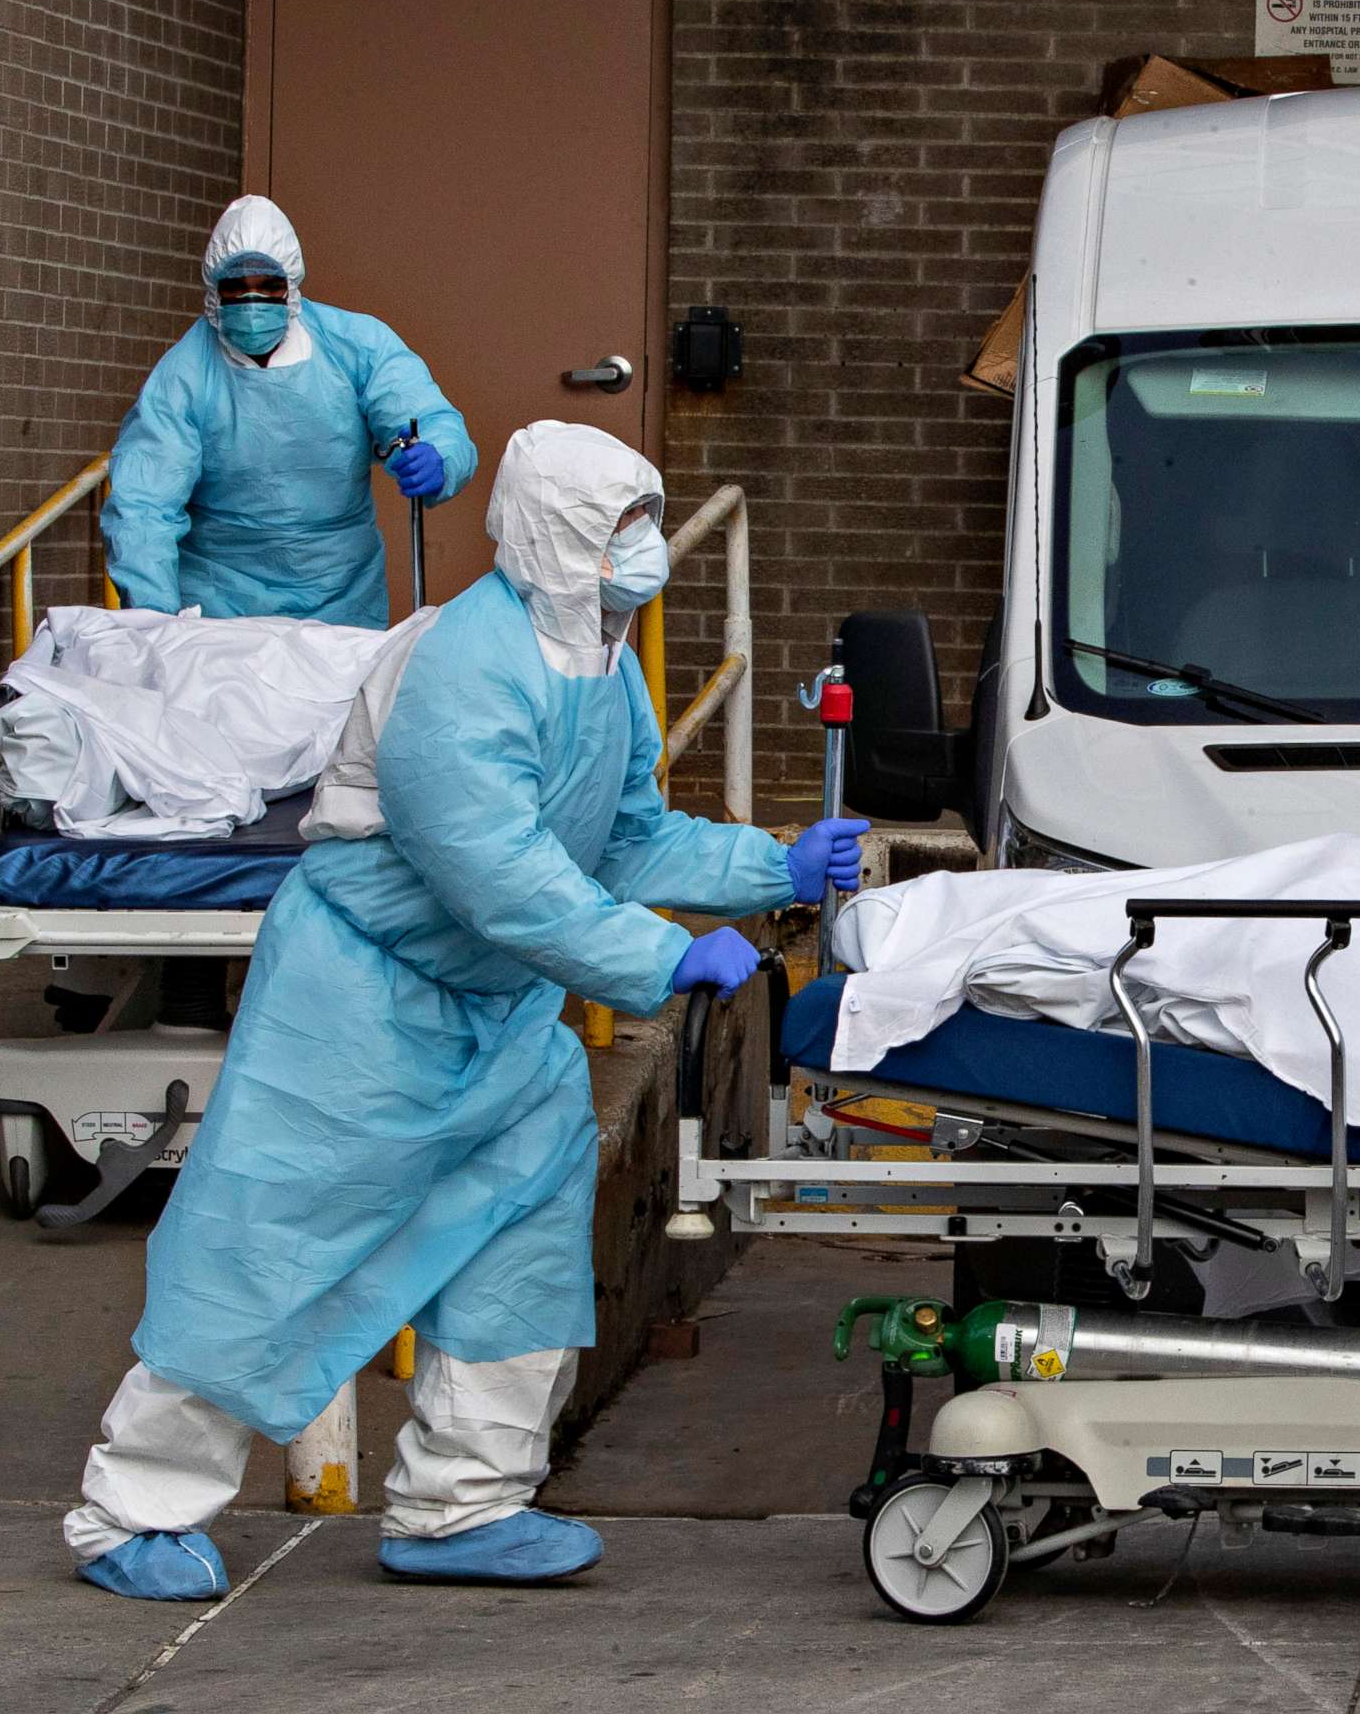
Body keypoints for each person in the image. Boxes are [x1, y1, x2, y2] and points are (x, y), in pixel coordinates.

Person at [64, 421, 871, 1599]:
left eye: (647, 522)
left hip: (498, 1018)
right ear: (559, 534)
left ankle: (464, 1504)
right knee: (269, 1250)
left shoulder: (603, 659)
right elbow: (497, 874)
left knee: (521, 1255)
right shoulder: (459, 665)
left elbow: (626, 833)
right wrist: (658, 959)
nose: (645, 551)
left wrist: (772, 869)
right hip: (361, 1005)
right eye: (622, 528)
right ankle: (130, 1511)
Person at [101, 194, 478, 629]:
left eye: (268, 285)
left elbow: (427, 417)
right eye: (236, 288)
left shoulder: (356, 346)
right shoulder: (185, 375)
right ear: (214, 290)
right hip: (220, 604)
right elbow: (143, 505)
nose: (252, 301)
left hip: (341, 593)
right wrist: (154, 618)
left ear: (292, 285)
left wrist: (438, 456)